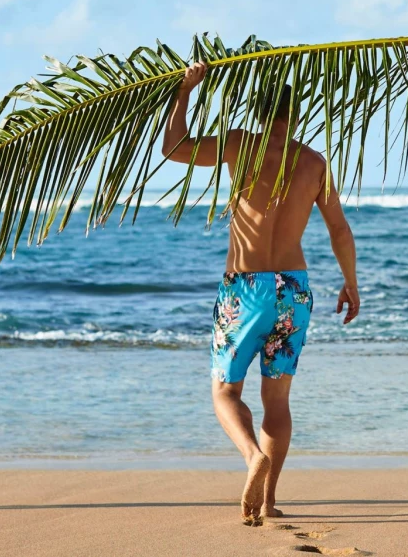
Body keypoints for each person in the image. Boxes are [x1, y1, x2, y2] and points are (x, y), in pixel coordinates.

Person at [162, 62, 361, 526]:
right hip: (294, 290)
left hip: (245, 288)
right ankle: (268, 501)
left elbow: (174, 147)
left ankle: (253, 456)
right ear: (297, 115)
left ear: (257, 111)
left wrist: (184, 92)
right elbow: (339, 229)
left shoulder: (240, 144)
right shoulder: (315, 163)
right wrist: (350, 282)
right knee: (278, 400)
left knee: (225, 392)